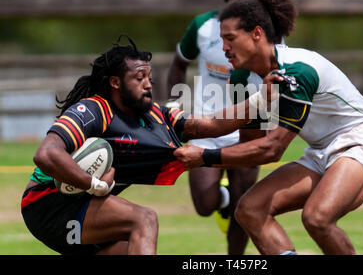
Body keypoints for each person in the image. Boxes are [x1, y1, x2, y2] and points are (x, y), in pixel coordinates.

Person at [174, 0, 363, 255]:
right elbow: (246, 143)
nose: (224, 48)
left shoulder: (296, 70)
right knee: (250, 210)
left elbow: (271, 149)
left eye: (230, 38)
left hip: (360, 143)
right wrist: (176, 127)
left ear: (256, 34)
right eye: (221, 39)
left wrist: (204, 157)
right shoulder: (242, 77)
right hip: (319, 152)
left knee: (317, 218)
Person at [21, 35, 274, 255]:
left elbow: (211, 124)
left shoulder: (156, 116)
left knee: (131, 248)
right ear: (116, 82)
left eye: (150, 77)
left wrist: (261, 98)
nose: (148, 84)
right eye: (139, 77)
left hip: (82, 210)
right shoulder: (94, 110)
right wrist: (94, 185)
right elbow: (46, 154)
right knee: (144, 219)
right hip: (46, 204)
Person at [166, 0, 262, 254]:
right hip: (206, 126)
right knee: (204, 206)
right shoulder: (203, 26)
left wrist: (270, 125)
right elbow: (178, 64)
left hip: (249, 128)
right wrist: (175, 108)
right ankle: (220, 199)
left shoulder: (265, 31)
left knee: (243, 208)